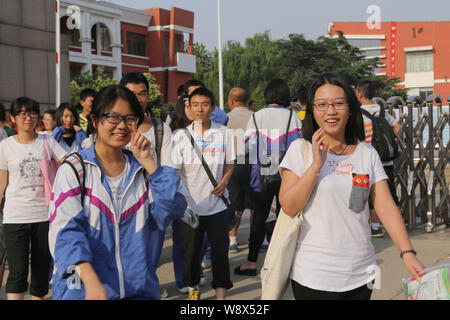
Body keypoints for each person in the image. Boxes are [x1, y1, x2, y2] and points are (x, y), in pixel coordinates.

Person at [278, 73, 424, 300]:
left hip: (361, 272)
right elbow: (288, 206)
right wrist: (316, 166)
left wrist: (407, 252)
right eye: (322, 105)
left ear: (350, 108)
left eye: (338, 104)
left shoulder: (366, 153)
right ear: (313, 110)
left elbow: (385, 205)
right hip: (313, 274)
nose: (331, 112)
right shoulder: (300, 150)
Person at [48, 85, 187, 300]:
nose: (122, 126)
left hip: (139, 290)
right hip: (85, 292)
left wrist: (149, 162)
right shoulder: (76, 169)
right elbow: (65, 232)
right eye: (112, 117)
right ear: (94, 120)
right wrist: (91, 282)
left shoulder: (142, 171)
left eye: (130, 119)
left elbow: (171, 210)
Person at [0, 97, 67, 300]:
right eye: (22, 114)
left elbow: (69, 163)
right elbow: (2, 181)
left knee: (40, 270)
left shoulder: (47, 141)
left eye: (32, 113)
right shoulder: (5, 146)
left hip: (44, 215)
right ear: (13, 118)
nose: (28, 117)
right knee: (18, 271)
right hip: (15, 216)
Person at [172, 87, 235, 300]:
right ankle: (193, 291)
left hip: (217, 205)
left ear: (213, 108)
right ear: (188, 107)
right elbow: (176, 170)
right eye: (195, 104)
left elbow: (230, 163)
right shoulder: (180, 136)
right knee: (191, 254)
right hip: (191, 207)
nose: (200, 109)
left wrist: (224, 181)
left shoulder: (225, 133)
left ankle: (220, 297)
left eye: (205, 104)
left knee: (220, 253)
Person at [235, 78, 302, 276]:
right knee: (287, 218)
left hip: (262, 173)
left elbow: (247, 145)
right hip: (287, 175)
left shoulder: (257, 117)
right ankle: (286, 264)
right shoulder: (293, 117)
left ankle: (251, 262)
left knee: (259, 218)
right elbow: (298, 147)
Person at [355, 80, 401, 238]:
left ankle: (374, 227)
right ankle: (395, 225)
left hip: (366, 159)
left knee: (368, 194)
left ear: (359, 94)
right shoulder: (382, 110)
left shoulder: (358, 113)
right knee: (390, 192)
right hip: (386, 159)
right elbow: (397, 127)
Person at [119, 72, 173, 167]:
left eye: (142, 94)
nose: (137, 99)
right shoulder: (111, 128)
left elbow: (168, 169)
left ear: (148, 96)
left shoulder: (161, 129)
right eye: (132, 94)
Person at [226, 88, 255, 252]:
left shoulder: (225, 118)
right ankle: (254, 238)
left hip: (233, 163)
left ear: (231, 100)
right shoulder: (255, 117)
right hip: (252, 162)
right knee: (254, 204)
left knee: (235, 202)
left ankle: (232, 240)